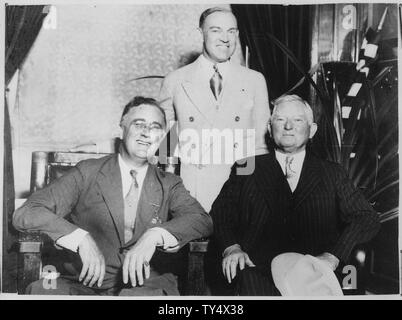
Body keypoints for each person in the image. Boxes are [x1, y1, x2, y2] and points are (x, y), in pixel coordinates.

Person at [13, 96, 212, 296]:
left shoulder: (169, 183)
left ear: (161, 137)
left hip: (146, 285)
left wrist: (155, 235)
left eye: (155, 127)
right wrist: (80, 238)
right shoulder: (87, 172)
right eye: (138, 124)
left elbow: (202, 219)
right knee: (41, 292)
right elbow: (27, 212)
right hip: (81, 283)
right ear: (121, 129)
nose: (146, 133)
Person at [210, 94, 381, 295]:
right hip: (259, 273)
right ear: (269, 128)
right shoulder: (246, 166)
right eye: (280, 120)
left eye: (297, 120)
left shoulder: (332, 172)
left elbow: (366, 217)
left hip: (316, 275)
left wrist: (333, 256)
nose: (288, 127)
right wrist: (231, 248)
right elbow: (221, 211)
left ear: (312, 130)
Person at [159, 7, 270, 211]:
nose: (225, 38)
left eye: (232, 31)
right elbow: (167, 150)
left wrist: (250, 192)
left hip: (239, 190)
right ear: (201, 33)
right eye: (216, 30)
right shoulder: (175, 81)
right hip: (192, 191)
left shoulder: (254, 80)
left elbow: (259, 146)